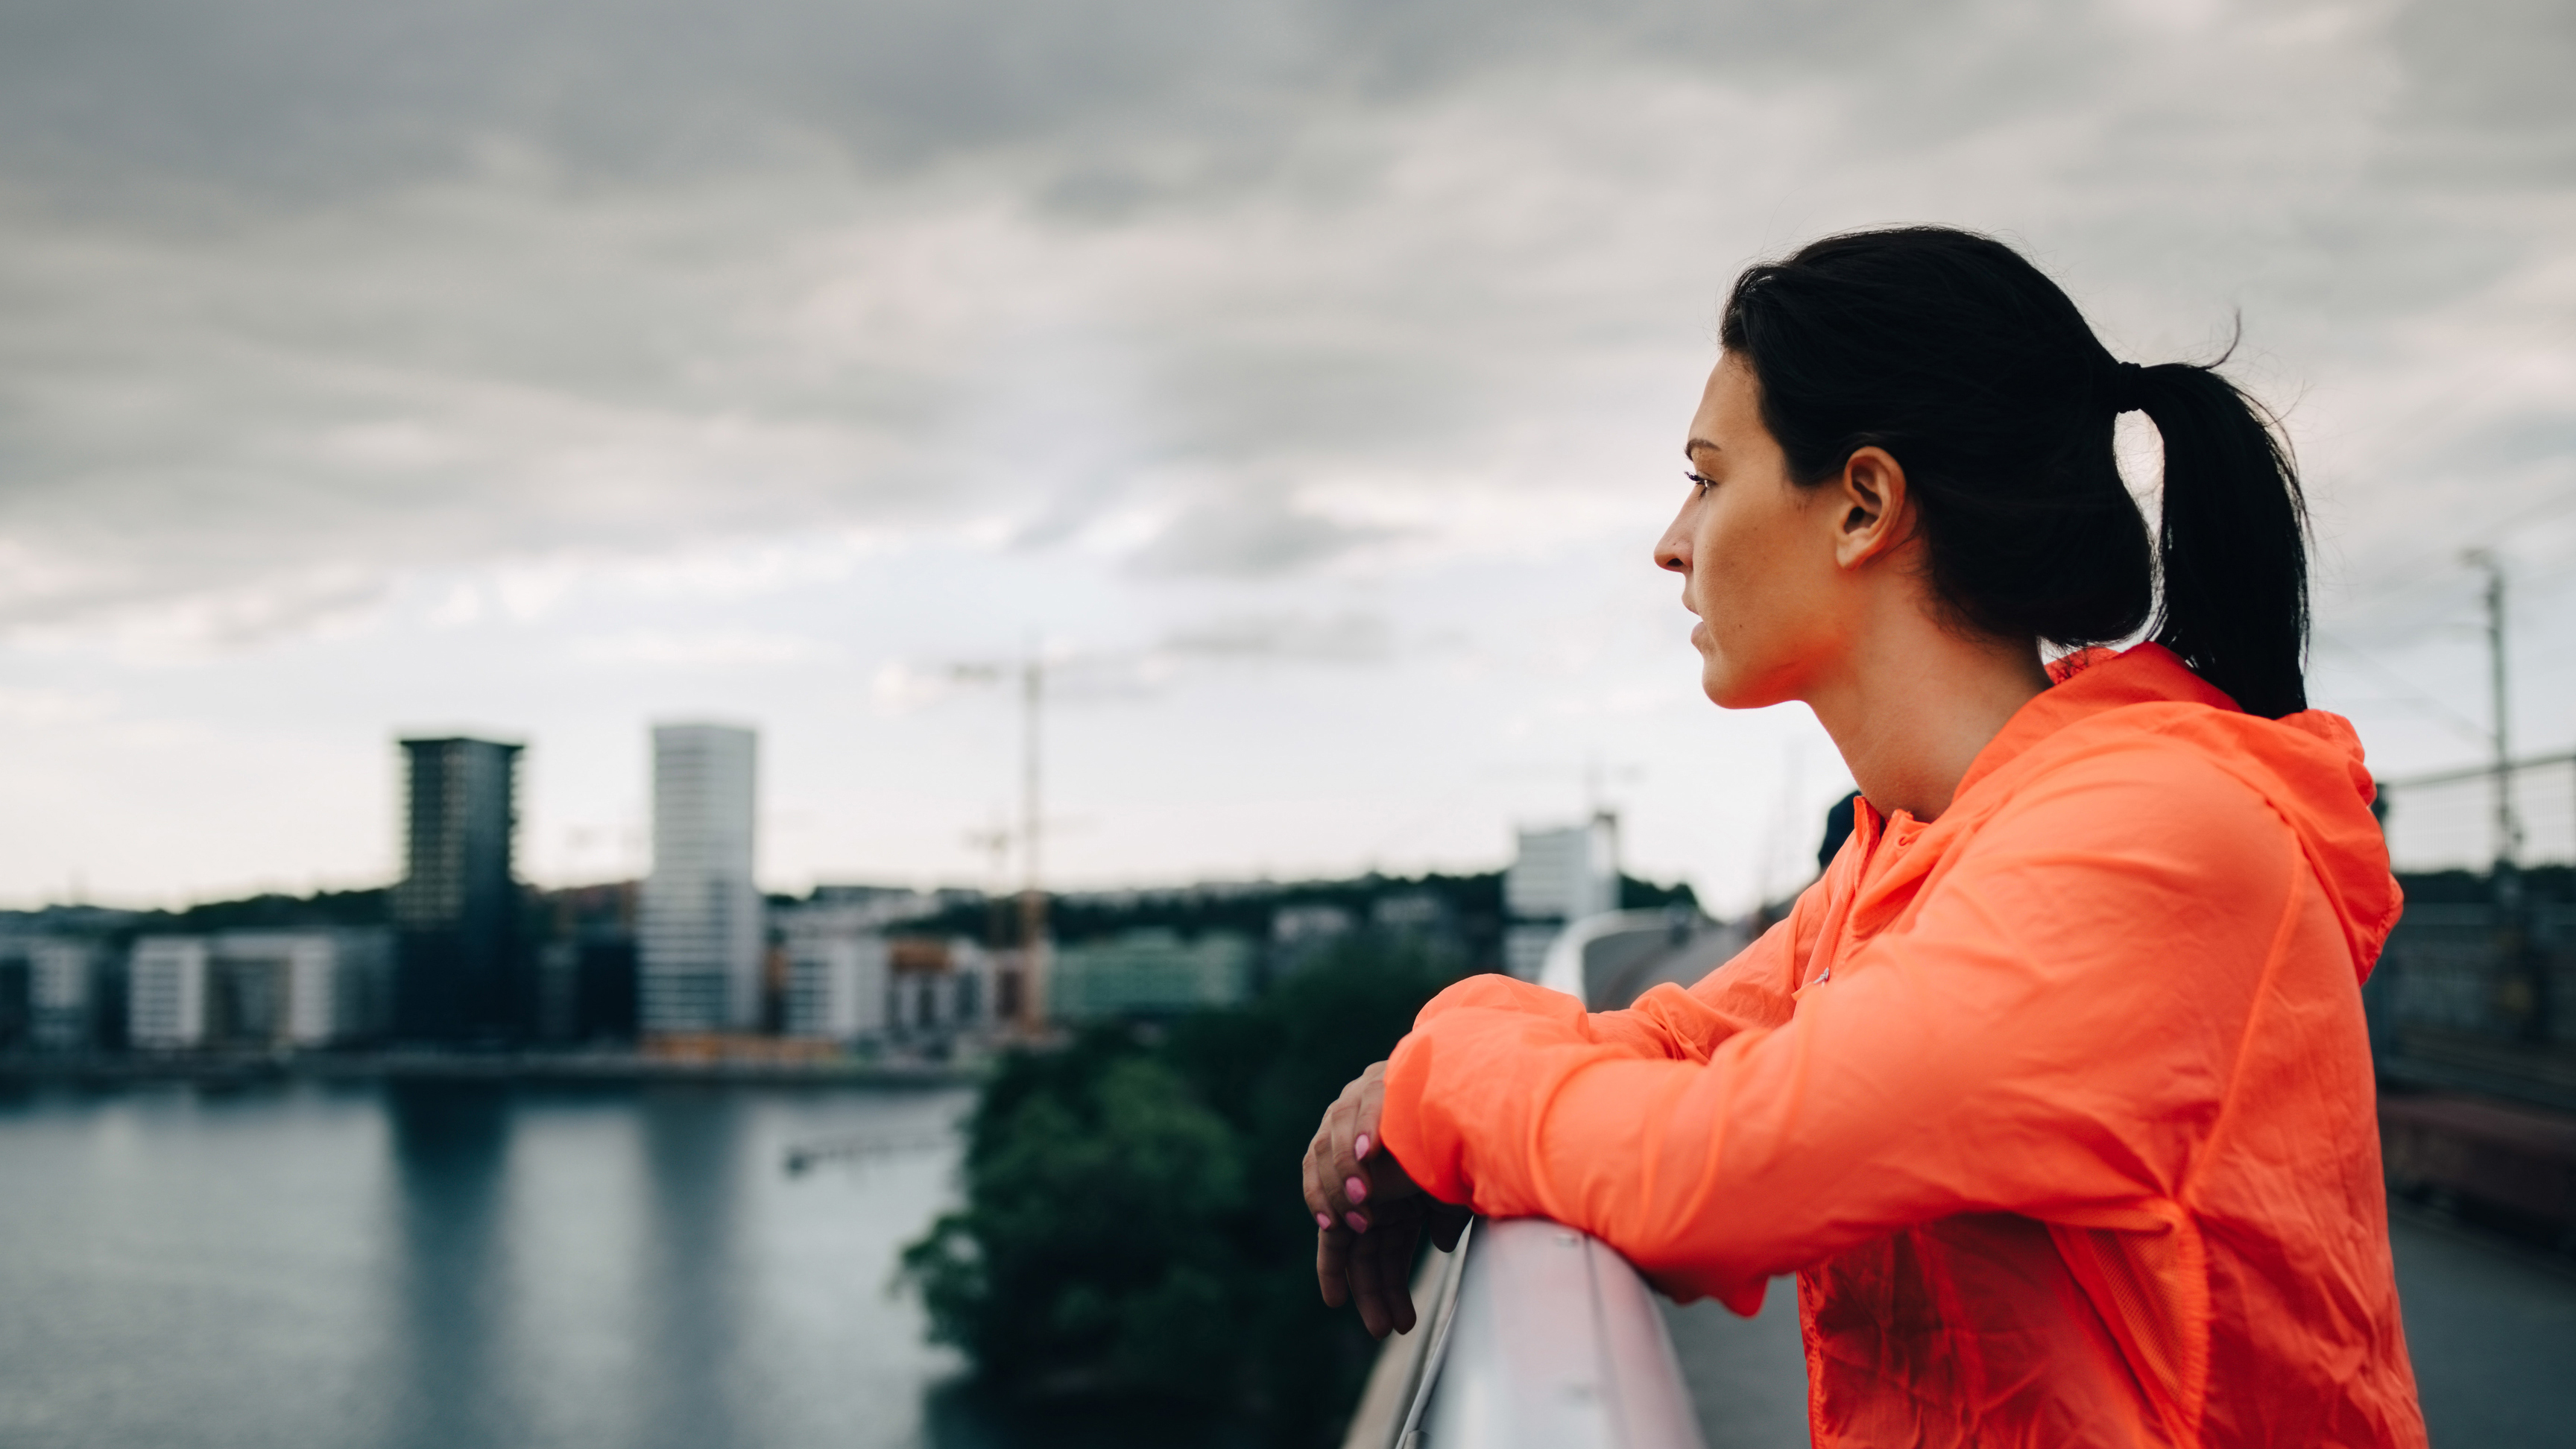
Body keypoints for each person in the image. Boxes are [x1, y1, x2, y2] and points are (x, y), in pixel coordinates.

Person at [1302, 227, 2425, 1447]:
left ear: (1863, 506)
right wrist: (1431, 1065)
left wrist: (1432, 1082)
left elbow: (1716, 1173)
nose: (1672, 542)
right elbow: (1670, 1045)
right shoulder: (1914, 848)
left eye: (1708, 475)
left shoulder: (2147, 841)